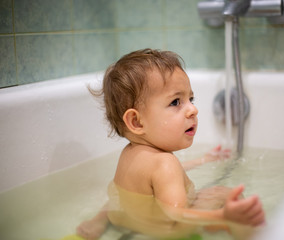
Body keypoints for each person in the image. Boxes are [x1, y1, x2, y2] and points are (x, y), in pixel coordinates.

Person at [76, 49, 265, 240]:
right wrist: (220, 215)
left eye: (190, 99)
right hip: (166, 231)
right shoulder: (166, 163)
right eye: (176, 102)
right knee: (222, 193)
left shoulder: (130, 153)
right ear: (136, 122)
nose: (193, 109)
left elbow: (158, 179)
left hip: (123, 219)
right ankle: (248, 234)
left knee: (120, 194)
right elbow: (175, 213)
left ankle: (100, 219)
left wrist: (203, 160)